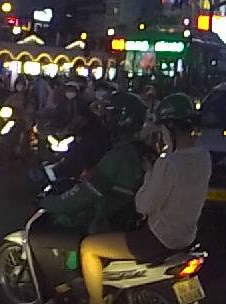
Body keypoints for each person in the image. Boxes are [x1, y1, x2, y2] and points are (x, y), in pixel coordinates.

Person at [78, 93, 211, 304]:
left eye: (162, 129)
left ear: (170, 128)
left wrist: (150, 173)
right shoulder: (204, 156)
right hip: (186, 236)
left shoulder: (169, 164)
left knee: (88, 247)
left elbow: (143, 205)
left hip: (157, 238)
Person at [31, 92, 149, 300]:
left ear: (120, 119)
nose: (104, 118)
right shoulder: (145, 151)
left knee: (61, 238)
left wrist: (49, 203)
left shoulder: (118, 157)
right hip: (133, 219)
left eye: (108, 114)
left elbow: (82, 196)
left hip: (109, 223)